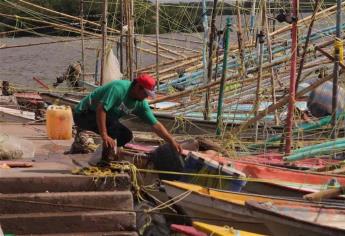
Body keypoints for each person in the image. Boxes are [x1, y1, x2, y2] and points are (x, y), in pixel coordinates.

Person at [73, 74, 182, 163]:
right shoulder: (119, 89)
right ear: (138, 87)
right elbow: (101, 109)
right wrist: (104, 135)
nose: (146, 97)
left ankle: (100, 156)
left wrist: (172, 141)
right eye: (145, 93)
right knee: (113, 130)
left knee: (126, 135)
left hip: (105, 118)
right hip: (83, 113)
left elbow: (156, 125)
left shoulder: (140, 104)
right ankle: (104, 159)